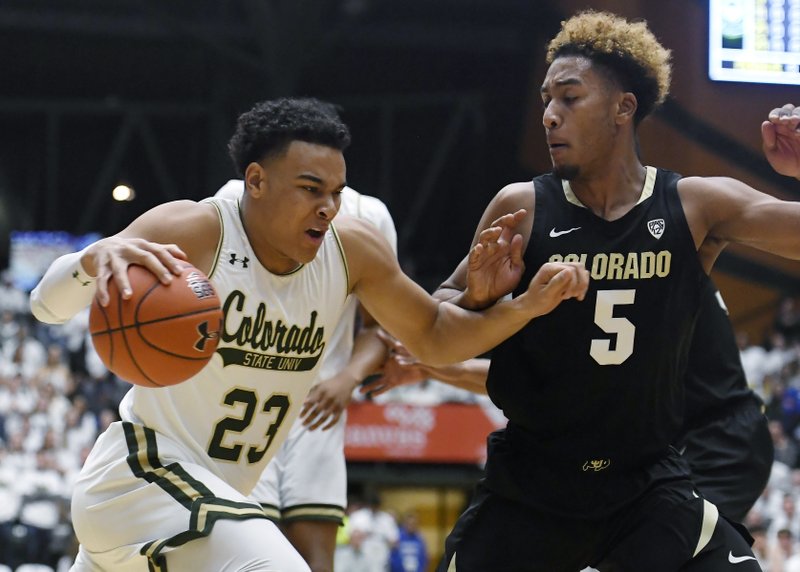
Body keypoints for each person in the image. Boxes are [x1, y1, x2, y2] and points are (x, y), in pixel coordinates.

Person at [29, 97, 589, 571]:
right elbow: (44, 305)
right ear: (256, 181)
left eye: (337, 193)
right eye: (310, 189)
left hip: (209, 501)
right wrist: (92, 258)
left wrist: (525, 308)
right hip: (142, 477)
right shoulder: (196, 230)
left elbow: (435, 335)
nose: (328, 208)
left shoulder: (353, 249)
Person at [425, 10, 800, 571]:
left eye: (569, 98)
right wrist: (480, 297)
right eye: (546, 100)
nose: (550, 115)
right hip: (533, 485)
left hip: (646, 485)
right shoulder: (521, 207)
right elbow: (432, 329)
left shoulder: (695, 205)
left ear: (624, 108)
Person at [372, 279, 773, 525]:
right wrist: (433, 366)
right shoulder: (641, 265)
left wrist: (437, 364)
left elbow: (544, 386)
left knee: (674, 548)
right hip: (690, 438)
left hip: (720, 441)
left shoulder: (637, 277)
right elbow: (536, 384)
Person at [216, 177, 398, 572]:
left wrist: (348, 378)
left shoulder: (369, 216)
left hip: (317, 405)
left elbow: (380, 328)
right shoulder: (236, 198)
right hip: (244, 403)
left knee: (316, 560)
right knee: (241, 554)